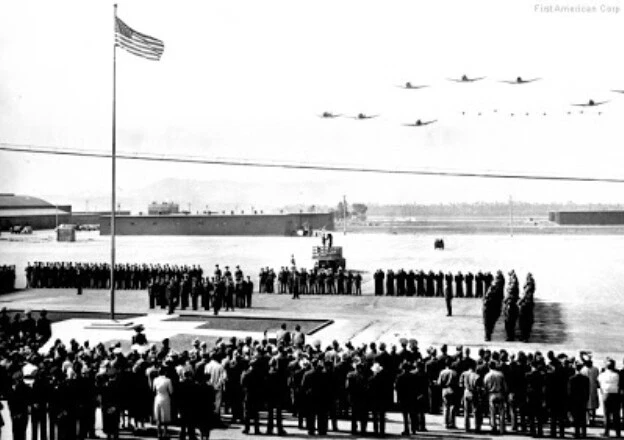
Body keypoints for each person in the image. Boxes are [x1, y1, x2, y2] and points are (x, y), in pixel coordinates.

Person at [598, 358, 621, 438]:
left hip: (606, 394)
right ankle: (618, 433)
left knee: (606, 414)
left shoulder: (602, 375)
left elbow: (599, 383)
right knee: (616, 415)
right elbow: (619, 384)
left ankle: (606, 432)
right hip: (615, 394)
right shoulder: (617, 375)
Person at [484, 361, 507, 434]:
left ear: (489, 366)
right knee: (502, 411)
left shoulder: (487, 375)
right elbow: (505, 387)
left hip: (491, 394)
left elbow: (485, 386)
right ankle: (502, 428)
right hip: (500, 393)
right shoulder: (501, 374)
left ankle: (494, 427)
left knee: (492, 412)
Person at [568, 361, 590, 439]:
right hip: (583, 400)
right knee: (583, 418)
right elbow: (588, 391)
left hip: (574, 400)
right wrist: (586, 399)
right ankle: (584, 433)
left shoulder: (571, 379)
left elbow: (570, 392)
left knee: (576, 418)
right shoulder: (586, 379)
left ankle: (577, 433)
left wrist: (570, 401)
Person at [152, 367, 174, 440]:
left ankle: (159, 433)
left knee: (158, 416)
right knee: (165, 416)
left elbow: (153, 389)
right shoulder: (168, 380)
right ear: (165, 372)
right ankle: (165, 432)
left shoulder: (155, 380)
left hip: (158, 398)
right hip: (165, 398)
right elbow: (171, 391)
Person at [437, 358, 458, 429]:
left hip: (445, 390)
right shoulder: (454, 372)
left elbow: (439, 383)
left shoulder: (442, 372)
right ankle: (452, 423)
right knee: (452, 407)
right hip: (452, 390)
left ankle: (445, 423)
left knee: (446, 407)